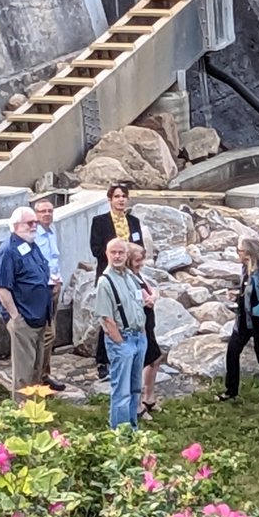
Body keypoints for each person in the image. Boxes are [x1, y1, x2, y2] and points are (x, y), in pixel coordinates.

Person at [217, 237, 259, 412]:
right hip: (243, 320)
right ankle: (231, 390)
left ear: (247, 253)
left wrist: (258, 309)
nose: (237, 254)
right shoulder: (245, 269)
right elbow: (247, 292)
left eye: (239, 251)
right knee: (232, 352)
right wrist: (237, 296)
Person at [0, 206, 52, 403]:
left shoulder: (31, 244)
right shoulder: (7, 251)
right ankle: (22, 412)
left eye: (35, 222)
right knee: (23, 372)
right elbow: (2, 288)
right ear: (16, 225)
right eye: (30, 222)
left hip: (40, 317)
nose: (35, 225)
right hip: (24, 319)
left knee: (36, 368)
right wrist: (16, 317)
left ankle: (35, 410)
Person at [88, 184, 144, 379]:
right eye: (117, 196)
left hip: (130, 277)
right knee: (108, 317)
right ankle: (102, 360)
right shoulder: (100, 221)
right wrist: (116, 257)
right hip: (109, 275)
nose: (121, 199)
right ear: (109, 199)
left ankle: (133, 351)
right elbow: (95, 249)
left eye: (124, 196)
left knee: (132, 314)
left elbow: (140, 248)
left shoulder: (134, 221)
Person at [94, 237, 151, 429]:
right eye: (113, 252)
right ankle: (118, 432)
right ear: (107, 254)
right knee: (121, 391)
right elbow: (105, 317)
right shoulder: (105, 281)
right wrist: (119, 342)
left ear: (126, 255)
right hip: (123, 340)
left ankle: (132, 429)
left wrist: (142, 333)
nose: (117, 256)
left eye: (121, 252)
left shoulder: (130, 276)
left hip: (138, 338)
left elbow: (141, 301)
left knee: (135, 387)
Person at [128, 243, 165, 420]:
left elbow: (152, 290)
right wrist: (148, 300)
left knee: (155, 358)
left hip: (147, 322)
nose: (140, 264)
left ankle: (148, 398)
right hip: (138, 324)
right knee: (141, 363)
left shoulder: (138, 274)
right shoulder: (127, 278)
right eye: (137, 261)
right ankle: (136, 405)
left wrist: (152, 297)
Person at [32, 198, 65, 392]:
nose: (47, 214)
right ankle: (39, 376)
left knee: (51, 333)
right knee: (46, 334)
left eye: (50, 211)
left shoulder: (52, 232)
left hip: (54, 286)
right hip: (41, 289)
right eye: (42, 211)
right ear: (35, 214)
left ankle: (45, 372)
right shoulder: (34, 236)